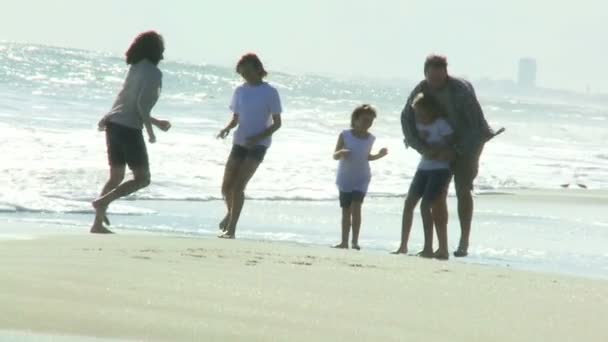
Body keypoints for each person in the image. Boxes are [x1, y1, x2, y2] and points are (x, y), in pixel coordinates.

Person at [401, 54, 494, 257]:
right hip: (437, 145)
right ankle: (439, 246)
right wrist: (421, 147)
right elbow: (406, 119)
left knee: (463, 188)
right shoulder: (421, 89)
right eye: (432, 79)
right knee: (437, 195)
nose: (436, 84)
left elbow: (476, 127)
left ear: (446, 74)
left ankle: (463, 242)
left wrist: (456, 150)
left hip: (468, 143)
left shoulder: (460, 90)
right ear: (425, 74)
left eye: (440, 79)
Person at [92, 31, 171, 234]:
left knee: (116, 177)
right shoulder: (154, 73)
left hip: (113, 124)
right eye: (161, 51)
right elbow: (141, 107)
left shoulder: (134, 68)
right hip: (129, 130)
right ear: (155, 52)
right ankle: (102, 202)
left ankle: (97, 224)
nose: (162, 56)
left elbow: (129, 104)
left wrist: (155, 121)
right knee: (143, 178)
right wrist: (151, 132)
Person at [216, 53, 282, 239]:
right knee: (226, 187)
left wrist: (258, 138)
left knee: (238, 187)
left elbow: (277, 124)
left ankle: (232, 229)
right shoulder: (240, 91)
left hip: (259, 145)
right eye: (242, 73)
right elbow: (236, 118)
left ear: (258, 69)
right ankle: (231, 213)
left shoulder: (270, 92)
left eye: (248, 71)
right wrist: (227, 129)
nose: (245, 76)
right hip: (239, 142)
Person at [393, 93, 454, 259]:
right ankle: (403, 245)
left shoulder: (441, 124)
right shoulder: (418, 125)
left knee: (425, 206)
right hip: (423, 167)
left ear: (432, 111)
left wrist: (437, 149)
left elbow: (451, 145)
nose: (420, 117)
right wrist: (412, 140)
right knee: (409, 203)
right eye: (417, 114)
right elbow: (414, 140)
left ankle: (428, 248)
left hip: (440, 170)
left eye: (423, 113)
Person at [333, 104, 388, 250]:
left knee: (356, 208)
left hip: (362, 177)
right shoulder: (345, 135)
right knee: (346, 210)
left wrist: (379, 155)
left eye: (370, 121)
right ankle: (344, 241)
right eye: (364, 120)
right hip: (345, 178)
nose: (367, 124)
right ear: (355, 119)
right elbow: (334, 155)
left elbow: (367, 157)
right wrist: (341, 153)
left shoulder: (371, 138)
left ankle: (355, 241)